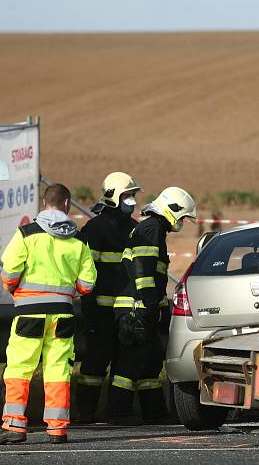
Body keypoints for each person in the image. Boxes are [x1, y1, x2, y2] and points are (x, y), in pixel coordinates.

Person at [0, 183, 96, 445]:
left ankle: (14, 426)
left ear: (45, 202)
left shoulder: (26, 234)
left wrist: (15, 289)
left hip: (28, 313)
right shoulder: (78, 240)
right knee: (58, 370)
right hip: (63, 314)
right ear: (67, 204)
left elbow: (9, 272)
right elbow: (88, 284)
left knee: (20, 368)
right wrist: (68, 292)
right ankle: (57, 429)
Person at [109, 187, 196, 423]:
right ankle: (118, 413)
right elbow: (143, 270)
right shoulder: (151, 229)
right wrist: (149, 304)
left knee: (148, 363)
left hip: (142, 306)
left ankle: (153, 412)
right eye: (182, 216)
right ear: (172, 210)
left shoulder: (153, 229)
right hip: (135, 308)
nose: (182, 222)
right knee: (128, 365)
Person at [74, 172, 141, 423]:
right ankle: (87, 412)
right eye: (127, 195)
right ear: (113, 197)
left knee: (124, 367)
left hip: (125, 311)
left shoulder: (135, 229)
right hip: (101, 312)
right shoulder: (95, 228)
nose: (132, 200)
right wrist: (88, 306)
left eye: (133, 195)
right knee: (94, 366)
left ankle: (117, 411)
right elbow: (86, 269)